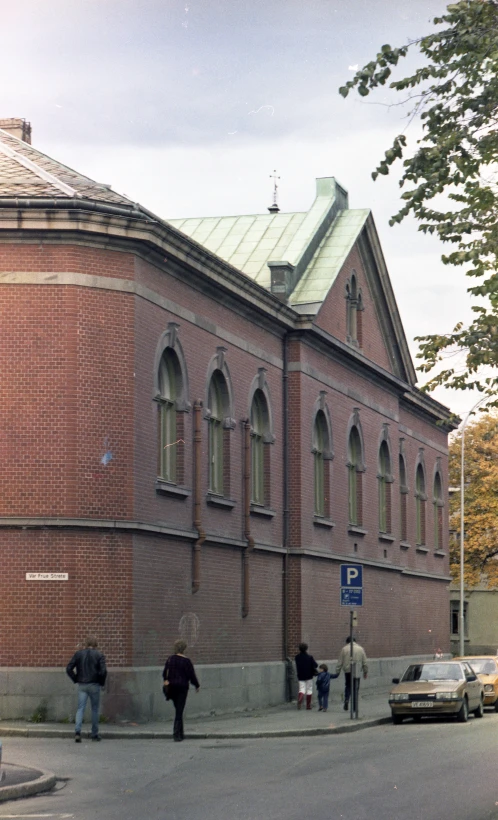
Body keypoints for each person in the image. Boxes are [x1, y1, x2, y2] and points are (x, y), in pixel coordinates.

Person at [66, 636, 107, 743]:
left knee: (80, 708)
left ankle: (77, 732)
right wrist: (101, 682)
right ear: (95, 644)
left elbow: (69, 668)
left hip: (82, 684)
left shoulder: (79, 654)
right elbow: (103, 671)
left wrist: (76, 679)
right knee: (94, 709)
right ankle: (94, 734)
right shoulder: (99, 655)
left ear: (85, 644)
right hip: (94, 684)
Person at [162, 639, 200, 741]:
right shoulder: (187, 661)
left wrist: (166, 680)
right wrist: (196, 685)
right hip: (182, 688)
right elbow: (191, 675)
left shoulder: (170, 659)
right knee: (179, 710)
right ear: (184, 649)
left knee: (178, 709)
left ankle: (181, 733)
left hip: (172, 688)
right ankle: (176, 734)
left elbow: (165, 672)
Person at [336, 636, 368, 712]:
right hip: (356, 670)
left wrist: (337, 671)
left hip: (347, 671)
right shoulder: (360, 649)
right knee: (356, 688)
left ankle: (347, 699)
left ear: (347, 642)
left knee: (348, 686)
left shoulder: (344, 649)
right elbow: (365, 662)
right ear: (355, 641)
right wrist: (365, 671)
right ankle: (354, 706)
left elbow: (340, 661)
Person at [294, 642, 318, 710]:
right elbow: (315, 665)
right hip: (309, 676)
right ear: (306, 649)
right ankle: (308, 706)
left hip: (300, 675)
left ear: (299, 649)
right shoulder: (309, 657)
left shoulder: (297, 657)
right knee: (309, 690)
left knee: (302, 689)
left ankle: (300, 698)